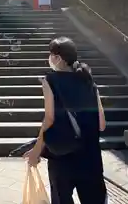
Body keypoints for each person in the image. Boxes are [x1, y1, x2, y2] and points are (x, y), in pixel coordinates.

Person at [24, 37, 107, 204]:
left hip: (62, 156)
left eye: (51, 54)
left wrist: (36, 150)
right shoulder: (88, 80)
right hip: (91, 156)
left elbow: (49, 119)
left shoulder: (50, 80)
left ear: (58, 58)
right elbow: (102, 124)